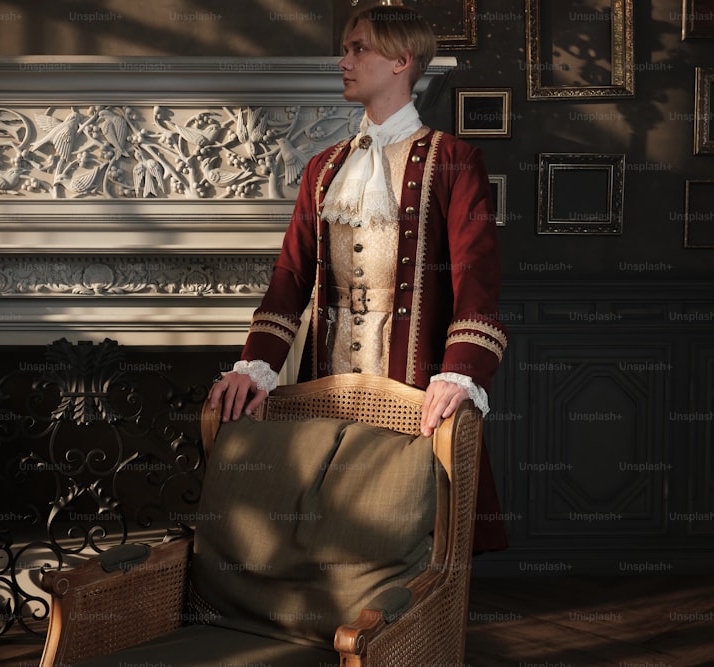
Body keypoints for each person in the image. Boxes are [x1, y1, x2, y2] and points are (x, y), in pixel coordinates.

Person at [208, 3, 508, 551]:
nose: (342, 60)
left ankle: (402, 628)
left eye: (357, 48)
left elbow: (477, 288)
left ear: (402, 60)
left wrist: (458, 375)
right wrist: (253, 366)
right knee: (324, 526)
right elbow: (290, 280)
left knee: (404, 528)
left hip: (411, 389)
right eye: (345, 49)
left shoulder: (454, 160)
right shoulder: (323, 169)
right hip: (325, 386)